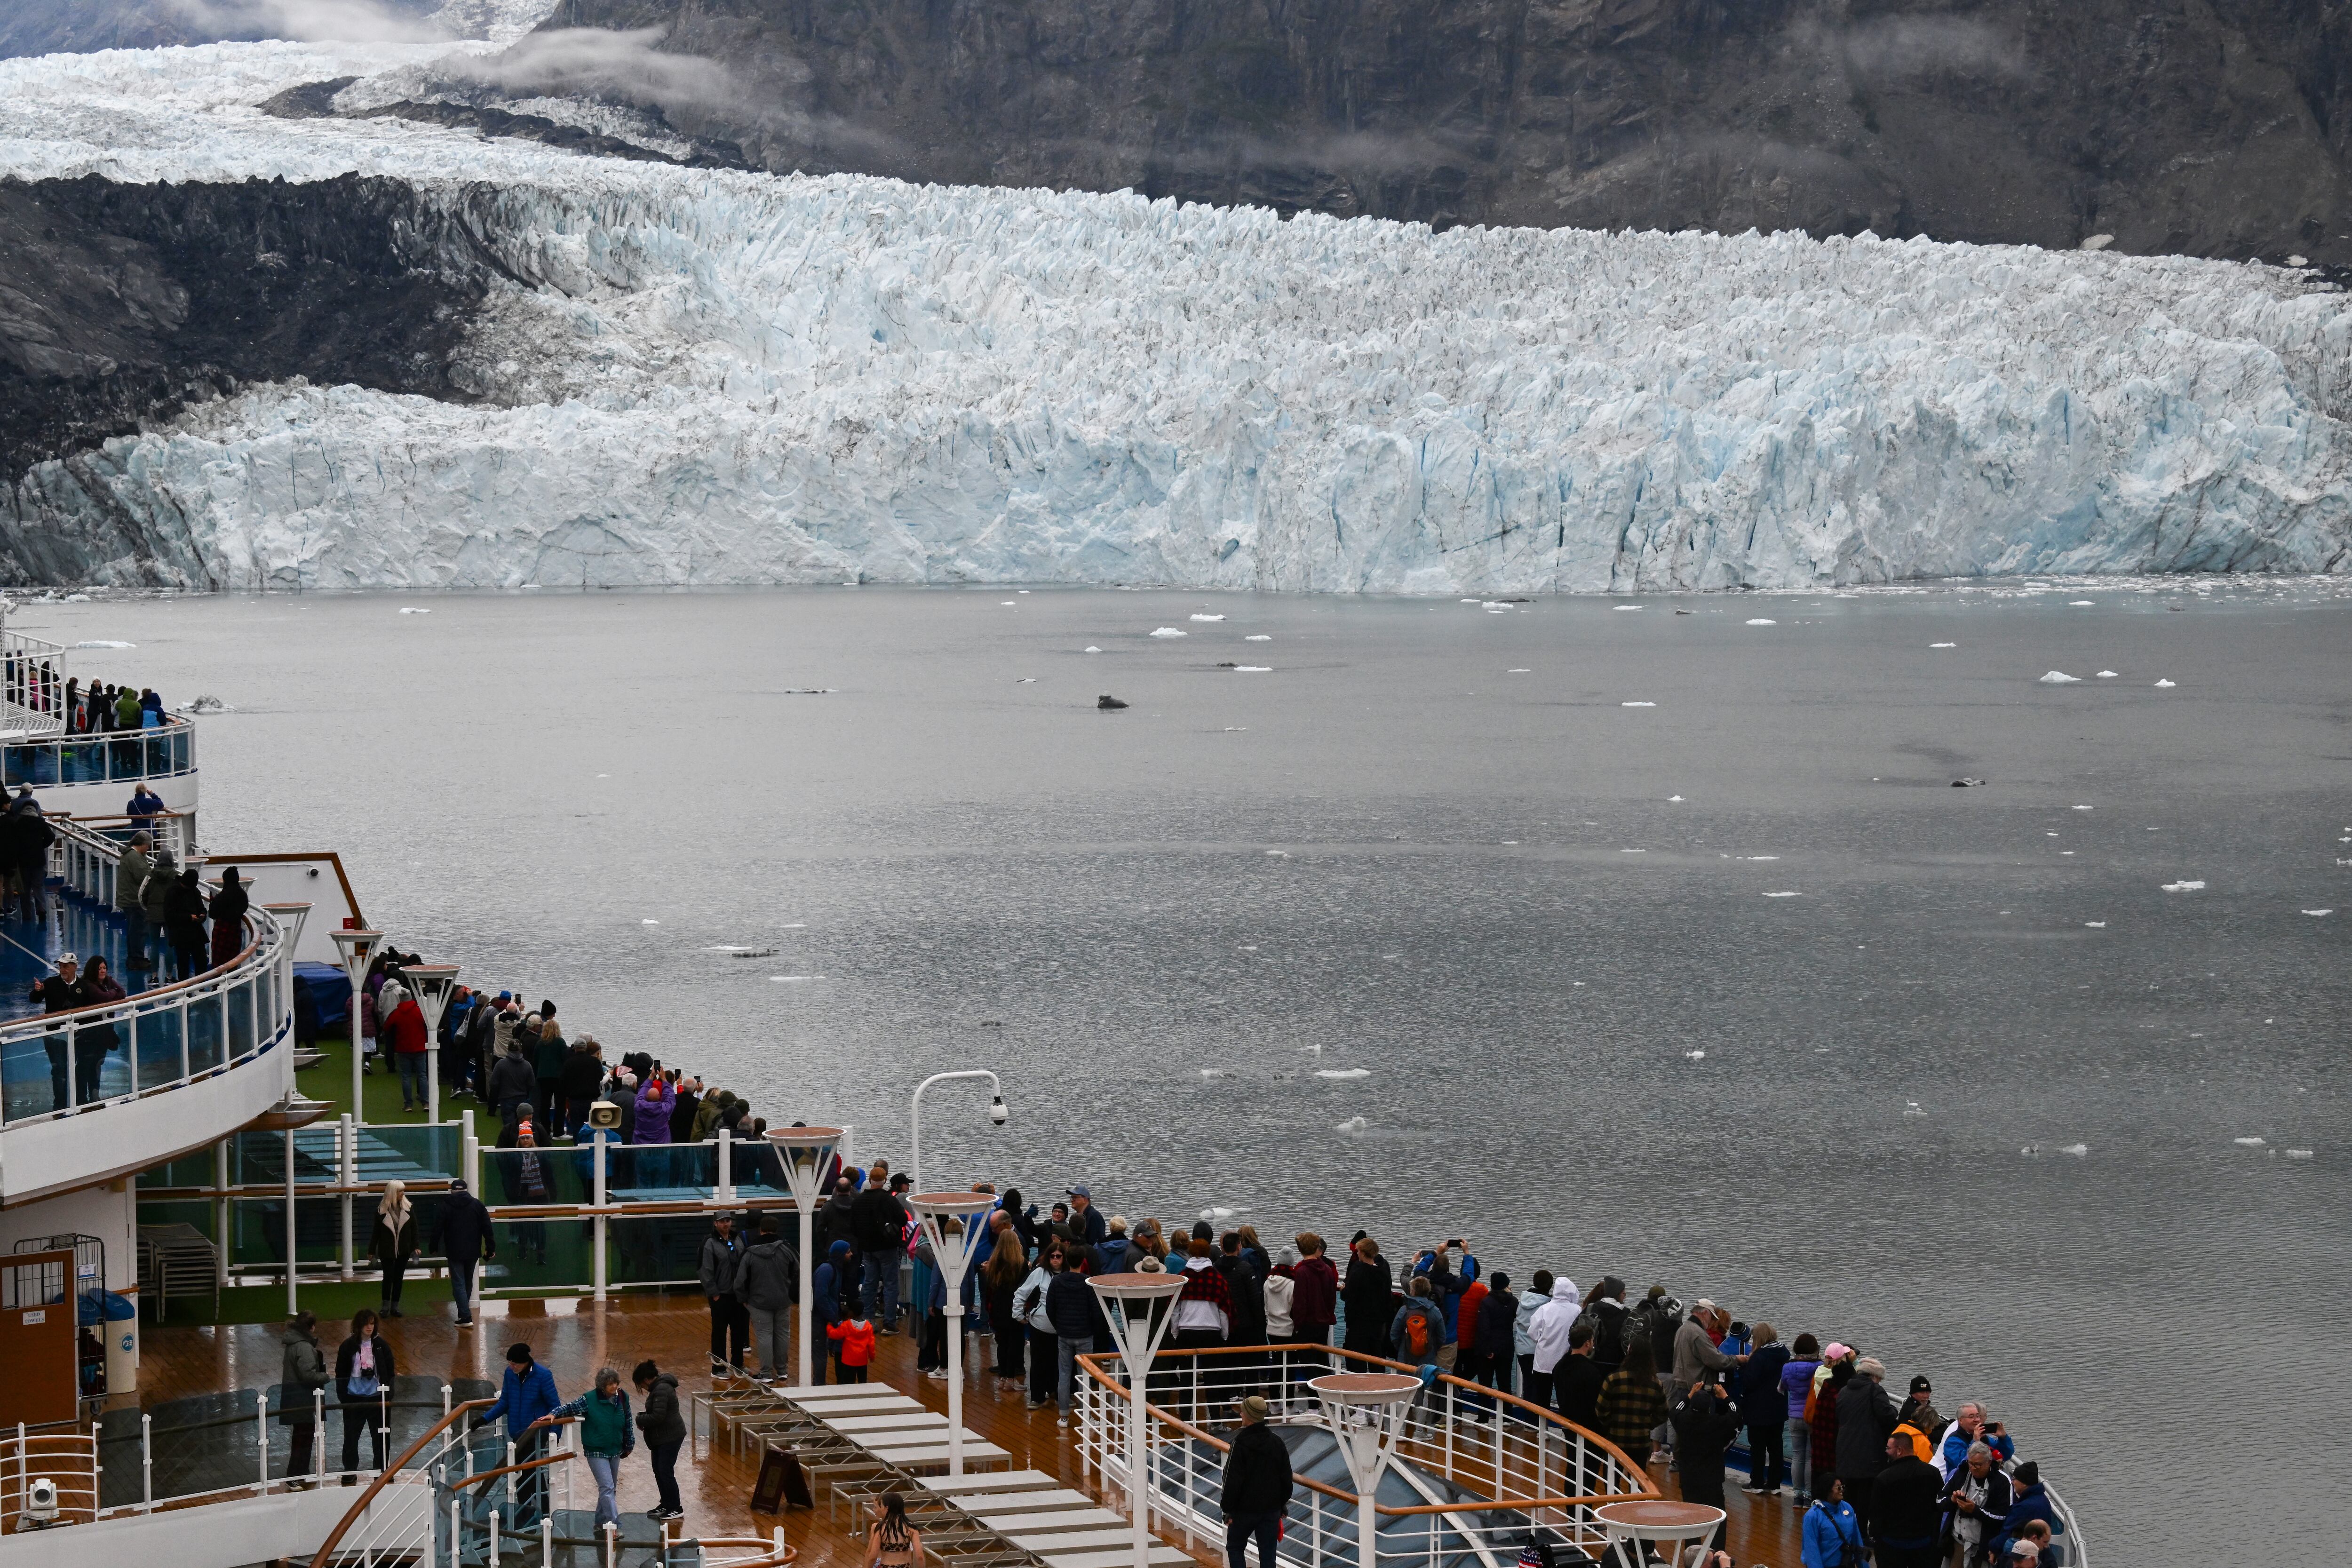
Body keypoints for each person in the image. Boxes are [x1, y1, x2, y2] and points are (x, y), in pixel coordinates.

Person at [537, 1368, 634, 1534]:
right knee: (607, 1487)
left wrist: (629, 1444)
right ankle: (613, 1527)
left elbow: (628, 1421)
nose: (614, 1387)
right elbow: (570, 1407)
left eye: (616, 1383)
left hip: (615, 1449)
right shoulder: (589, 1399)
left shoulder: (623, 1397)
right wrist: (554, 1414)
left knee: (610, 1489)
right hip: (596, 1450)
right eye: (610, 1384)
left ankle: (600, 1523)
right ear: (602, 1386)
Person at [480, 1343, 562, 1526]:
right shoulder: (510, 1374)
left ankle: (533, 1513)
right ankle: (536, 1513)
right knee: (527, 1472)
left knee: (529, 1472)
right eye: (509, 1363)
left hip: (535, 1433)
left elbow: (555, 1407)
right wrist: (484, 1419)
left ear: (525, 1362)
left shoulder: (543, 1375)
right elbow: (505, 1402)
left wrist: (555, 1436)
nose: (511, 1366)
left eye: (515, 1363)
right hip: (517, 1434)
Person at [1219, 1393, 1293, 1568]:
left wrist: (1228, 1509)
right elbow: (1286, 1478)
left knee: (1235, 1548)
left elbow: (1231, 1480)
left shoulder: (1240, 1444)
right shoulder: (1277, 1442)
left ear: (1249, 1416)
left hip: (1244, 1512)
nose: (1240, 1415)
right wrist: (1281, 1504)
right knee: (1268, 1557)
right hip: (1270, 1511)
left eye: (1243, 1412)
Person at [1669, 1377, 1739, 1549]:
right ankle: (1717, 1553)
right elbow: (1736, 1415)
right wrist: (1726, 1397)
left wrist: (1690, 1394)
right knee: (1719, 1518)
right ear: (1709, 1408)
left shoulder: (1682, 1421)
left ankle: (1692, 1553)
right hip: (1712, 1479)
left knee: (1691, 1518)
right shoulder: (1716, 1423)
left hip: (1689, 1479)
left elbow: (1674, 1411)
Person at [334, 1308, 396, 1484]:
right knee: (351, 1437)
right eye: (366, 1323)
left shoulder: (382, 1345)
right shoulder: (348, 1346)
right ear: (358, 1325)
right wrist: (344, 1397)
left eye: (372, 1323)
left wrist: (388, 1395)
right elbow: (340, 1373)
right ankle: (350, 1471)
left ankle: (382, 1471)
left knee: (381, 1437)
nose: (369, 1327)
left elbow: (390, 1373)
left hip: (377, 1399)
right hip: (354, 1399)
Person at [734, 1213, 799, 1383]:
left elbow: (740, 1280)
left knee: (764, 1336)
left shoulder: (750, 1252)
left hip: (758, 1302)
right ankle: (783, 1371)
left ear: (760, 1230)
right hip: (784, 1300)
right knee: (783, 1334)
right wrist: (793, 1294)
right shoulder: (787, 1249)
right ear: (777, 1229)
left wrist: (743, 1299)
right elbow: (799, 1272)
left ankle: (766, 1373)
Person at [1835, 1355, 1898, 1520]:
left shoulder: (1844, 1391)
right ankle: (1862, 1535)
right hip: (1868, 1453)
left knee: (1849, 1496)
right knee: (1867, 1496)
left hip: (1845, 1450)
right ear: (1875, 1377)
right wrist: (1894, 1411)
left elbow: (1839, 1415)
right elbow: (1886, 1416)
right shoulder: (1875, 1390)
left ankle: (1848, 1532)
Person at [1871, 1431, 1946, 1568]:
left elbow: (1877, 1514)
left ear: (1899, 1450)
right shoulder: (1932, 1473)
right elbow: (1940, 1506)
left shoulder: (1884, 1478)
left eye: (1888, 1448)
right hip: (1924, 1543)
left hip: (1892, 1545)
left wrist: (1876, 1537)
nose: (1886, 1451)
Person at [1595, 1339, 1669, 1466]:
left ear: (1629, 1353)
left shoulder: (1613, 1379)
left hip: (1615, 1438)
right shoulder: (1656, 1384)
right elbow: (1663, 1413)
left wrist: (1611, 1424)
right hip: (1641, 1441)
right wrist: (1647, 1425)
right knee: (1637, 1481)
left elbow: (1600, 1409)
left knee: (1612, 1479)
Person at [434, 1177, 495, 1325]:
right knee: (468, 1282)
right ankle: (464, 1313)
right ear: (467, 1191)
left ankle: (465, 1316)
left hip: (454, 1251)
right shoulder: (478, 1205)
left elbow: (438, 1228)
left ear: (452, 1191)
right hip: (473, 1250)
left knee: (458, 1283)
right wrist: (490, 1247)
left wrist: (433, 1246)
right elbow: (487, 1228)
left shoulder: (445, 1206)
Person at [1942, 1441, 2013, 1568]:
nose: (1973, 1468)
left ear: (1989, 1462)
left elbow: (2004, 1517)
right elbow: (1939, 1500)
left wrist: (1975, 1510)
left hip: (1984, 1547)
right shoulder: (1961, 1473)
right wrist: (1952, 1500)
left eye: (1978, 1465)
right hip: (1959, 1543)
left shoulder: (2002, 1481)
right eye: (1970, 1463)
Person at [1741, 1321, 1792, 1496]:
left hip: (1758, 1409)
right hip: (1778, 1407)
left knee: (1758, 1447)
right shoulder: (1783, 1354)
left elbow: (1750, 1382)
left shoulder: (1759, 1356)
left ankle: (1757, 1482)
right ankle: (1775, 1484)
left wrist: (1743, 1369)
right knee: (1776, 1446)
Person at [279, 1310, 329, 1485]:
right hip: (303, 1399)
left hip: (293, 1397)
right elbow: (308, 1375)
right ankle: (295, 1475)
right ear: (312, 1327)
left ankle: (300, 1473)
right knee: (303, 1437)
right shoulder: (305, 1347)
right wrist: (325, 1377)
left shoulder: (292, 1344)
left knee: (300, 1436)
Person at [632, 1360, 686, 1520]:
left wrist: (640, 1419)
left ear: (647, 1380)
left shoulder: (662, 1389)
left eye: (641, 1384)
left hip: (670, 1437)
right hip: (662, 1437)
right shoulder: (659, 1388)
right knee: (659, 1470)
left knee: (665, 1471)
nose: (642, 1388)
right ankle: (667, 1504)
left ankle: (676, 1507)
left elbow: (658, 1416)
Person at [699, 1211, 749, 1373]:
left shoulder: (738, 1239)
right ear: (715, 1224)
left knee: (739, 1331)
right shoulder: (709, 1243)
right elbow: (705, 1270)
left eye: (728, 1221)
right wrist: (714, 1293)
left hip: (738, 1296)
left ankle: (738, 1365)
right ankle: (718, 1367)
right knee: (720, 1333)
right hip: (720, 1296)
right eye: (722, 1222)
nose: (726, 1224)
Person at [30, 952, 82, 1111]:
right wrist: (38, 991)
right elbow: (34, 999)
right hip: (54, 1035)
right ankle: (59, 1107)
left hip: (77, 1034)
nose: (62, 969)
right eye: (60, 966)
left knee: (78, 1068)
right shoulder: (51, 983)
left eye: (66, 966)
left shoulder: (83, 986)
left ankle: (80, 1102)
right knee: (59, 1070)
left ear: (75, 967)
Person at [1015, 1244, 1061, 1408]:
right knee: (1038, 1362)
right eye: (1052, 1256)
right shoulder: (1039, 1273)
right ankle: (1037, 1397)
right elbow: (1021, 1293)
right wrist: (1018, 1315)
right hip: (1039, 1325)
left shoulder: (1068, 1274)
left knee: (1059, 1363)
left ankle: (1057, 1392)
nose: (1055, 1259)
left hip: (1061, 1329)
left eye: (1059, 1256)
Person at [1526, 1273, 1581, 1413]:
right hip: (1566, 1363)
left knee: (1542, 1399)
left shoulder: (1545, 1309)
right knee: (1566, 1400)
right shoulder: (1577, 1310)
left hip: (1543, 1362)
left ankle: (1541, 1430)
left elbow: (1532, 1333)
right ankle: (1566, 1432)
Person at [983, 1226, 1028, 1389]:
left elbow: (990, 1286)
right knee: (1014, 1344)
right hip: (1014, 1307)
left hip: (997, 1306)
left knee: (1002, 1343)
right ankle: (1011, 1379)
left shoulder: (993, 1263)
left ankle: (1002, 1377)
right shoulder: (1020, 1263)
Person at [74, 955, 125, 1100]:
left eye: (104, 968)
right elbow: (103, 998)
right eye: (99, 969)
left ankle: (95, 1095)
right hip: (87, 1034)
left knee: (98, 1063)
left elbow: (123, 993)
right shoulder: (87, 984)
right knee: (85, 1065)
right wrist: (113, 993)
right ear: (93, 970)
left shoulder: (108, 981)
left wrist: (112, 993)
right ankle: (81, 1098)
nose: (103, 971)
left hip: (104, 1032)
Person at [1780, 1333, 1822, 1502]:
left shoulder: (1787, 1367)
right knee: (1810, 1457)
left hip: (1794, 1415)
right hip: (1812, 1416)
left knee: (1797, 1456)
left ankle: (1797, 1495)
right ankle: (1809, 1495)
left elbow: (1784, 1386)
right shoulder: (1818, 1367)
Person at [1999, 1462, 2066, 1562]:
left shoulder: (2023, 1507)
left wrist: (1992, 1548)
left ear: (2025, 1483)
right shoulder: (2043, 1500)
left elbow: (2007, 1533)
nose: (2013, 1482)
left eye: (2014, 1479)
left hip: (2023, 1555)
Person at [369, 1180, 419, 1317]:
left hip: (404, 1249)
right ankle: (385, 1307)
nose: (403, 1193)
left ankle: (394, 1307)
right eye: (400, 1191)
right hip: (387, 1250)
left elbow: (414, 1229)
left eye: (403, 1191)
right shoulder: (381, 1211)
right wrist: (371, 1251)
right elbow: (376, 1232)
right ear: (393, 1193)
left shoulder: (409, 1208)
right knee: (388, 1277)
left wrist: (416, 1247)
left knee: (398, 1278)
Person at [1340, 1234, 1393, 1358]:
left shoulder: (1358, 1271)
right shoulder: (1383, 1271)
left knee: (1356, 1359)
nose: (1357, 1254)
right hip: (1378, 1323)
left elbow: (1349, 1295)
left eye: (1358, 1251)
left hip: (1358, 1323)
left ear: (1363, 1253)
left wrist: (1343, 1290)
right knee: (1377, 1358)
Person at [1801, 1476, 1866, 1568]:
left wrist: (1863, 1566)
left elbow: (1857, 1540)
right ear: (1827, 1490)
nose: (1842, 1490)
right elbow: (1811, 1550)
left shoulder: (1848, 1508)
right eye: (1838, 1487)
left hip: (1846, 1564)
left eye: (1843, 1487)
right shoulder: (1812, 1516)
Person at [1290, 1233, 1339, 1353]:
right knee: (1322, 1360)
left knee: (1308, 1361)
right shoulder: (1327, 1269)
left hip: (1307, 1325)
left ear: (1301, 1249)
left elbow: (1300, 1303)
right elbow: (1332, 1297)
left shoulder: (1302, 1272)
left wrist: (1298, 1326)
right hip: (1324, 1323)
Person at [1554, 1321, 1607, 1429]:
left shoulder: (1559, 1367)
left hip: (1566, 1421)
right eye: (1592, 1341)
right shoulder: (1591, 1372)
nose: (1593, 1345)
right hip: (1586, 1426)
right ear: (1587, 1343)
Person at [1473, 1272, 1518, 1400]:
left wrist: (1487, 1350)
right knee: (1505, 1384)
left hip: (1490, 1349)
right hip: (1507, 1347)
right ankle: (1506, 1416)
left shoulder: (1486, 1302)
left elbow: (1484, 1328)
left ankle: (1483, 1417)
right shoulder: (1514, 1301)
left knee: (1485, 1385)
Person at [115, 832, 153, 972]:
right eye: (148, 846)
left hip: (128, 899)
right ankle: (137, 959)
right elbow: (144, 877)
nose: (149, 848)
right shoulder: (135, 858)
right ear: (143, 844)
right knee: (139, 931)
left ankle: (134, 958)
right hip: (134, 900)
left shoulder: (129, 855)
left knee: (133, 931)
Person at [164, 866, 207, 981]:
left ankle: (200, 988)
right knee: (183, 963)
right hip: (181, 935)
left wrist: (203, 915)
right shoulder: (172, 892)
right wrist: (188, 918)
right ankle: (185, 991)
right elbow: (169, 915)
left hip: (195, 933)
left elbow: (201, 908)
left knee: (202, 961)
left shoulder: (194, 891)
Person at [865, 1492, 923, 1568]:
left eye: (881, 1506)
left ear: (887, 1508)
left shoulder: (880, 1528)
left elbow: (873, 1557)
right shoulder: (911, 1528)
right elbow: (920, 1557)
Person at [208, 867, 249, 968]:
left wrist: (213, 900)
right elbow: (243, 909)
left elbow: (213, 914)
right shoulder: (243, 895)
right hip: (235, 931)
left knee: (219, 963)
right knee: (233, 961)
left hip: (221, 931)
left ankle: (217, 983)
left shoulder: (222, 896)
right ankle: (232, 981)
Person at [828, 1306, 878, 1384]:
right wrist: (872, 1356)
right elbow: (871, 1344)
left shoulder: (846, 1325)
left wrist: (829, 1326)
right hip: (862, 1360)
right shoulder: (868, 1326)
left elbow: (834, 1335)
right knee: (863, 1382)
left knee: (849, 1383)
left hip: (849, 1361)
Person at [1263, 1246, 1299, 1343]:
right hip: (1288, 1330)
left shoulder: (1267, 1283)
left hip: (1272, 1329)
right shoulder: (1293, 1284)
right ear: (1292, 1263)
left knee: (1276, 1358)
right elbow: (1295, 1310)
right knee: (1291, 1358)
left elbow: (1266, 1308)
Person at [1898, 1374, 1942, 1438]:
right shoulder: (1914, 1412)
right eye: (1922, 1393)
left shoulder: (1911, 1404)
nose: (1925, 1396)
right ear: (1913, 1393)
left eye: (1927, 1392)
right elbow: (1928, 1435)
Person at [1066, 1183, 1109, 1247]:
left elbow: (1098, 1242)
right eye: (1072, 1198)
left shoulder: (1094, 1217)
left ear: (1085, 1200)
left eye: (1075, 1198)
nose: (1072, 1200)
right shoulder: (1077, 1217)